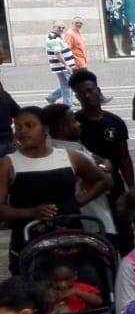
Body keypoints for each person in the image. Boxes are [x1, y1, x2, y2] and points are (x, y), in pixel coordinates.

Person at [1, 107, 109, 271]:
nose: (23, 131)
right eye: (18, 127)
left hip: (71, 239)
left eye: (29, 126)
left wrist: (79, 201)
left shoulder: (69, 157)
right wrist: (32, 213)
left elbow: (102, 181)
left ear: (45, 129)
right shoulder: (8, 163)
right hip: (29, 242)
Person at [69, 71, 135, 249]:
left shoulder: (114, 121)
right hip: (88, 189)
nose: (88, 95)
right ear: (76, 96)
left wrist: (131, 187)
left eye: (90, 90)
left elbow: (124, 157)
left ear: (98, 90)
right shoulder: (74, 124)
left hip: (114, 185)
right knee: (98, 234)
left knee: (125, 233)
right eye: (82, 93)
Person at [45, 21, 74, 108]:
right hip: (62, 67)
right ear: (53, 27)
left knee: (66, 85)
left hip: (60, 67)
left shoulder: (56, 36)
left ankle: (52, 97)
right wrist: (66, 65)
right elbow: (58, 53)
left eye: (63, 28)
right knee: (68, 86)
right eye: (59, 27)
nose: (61, 29)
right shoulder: (54, 39)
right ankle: (68, 106)